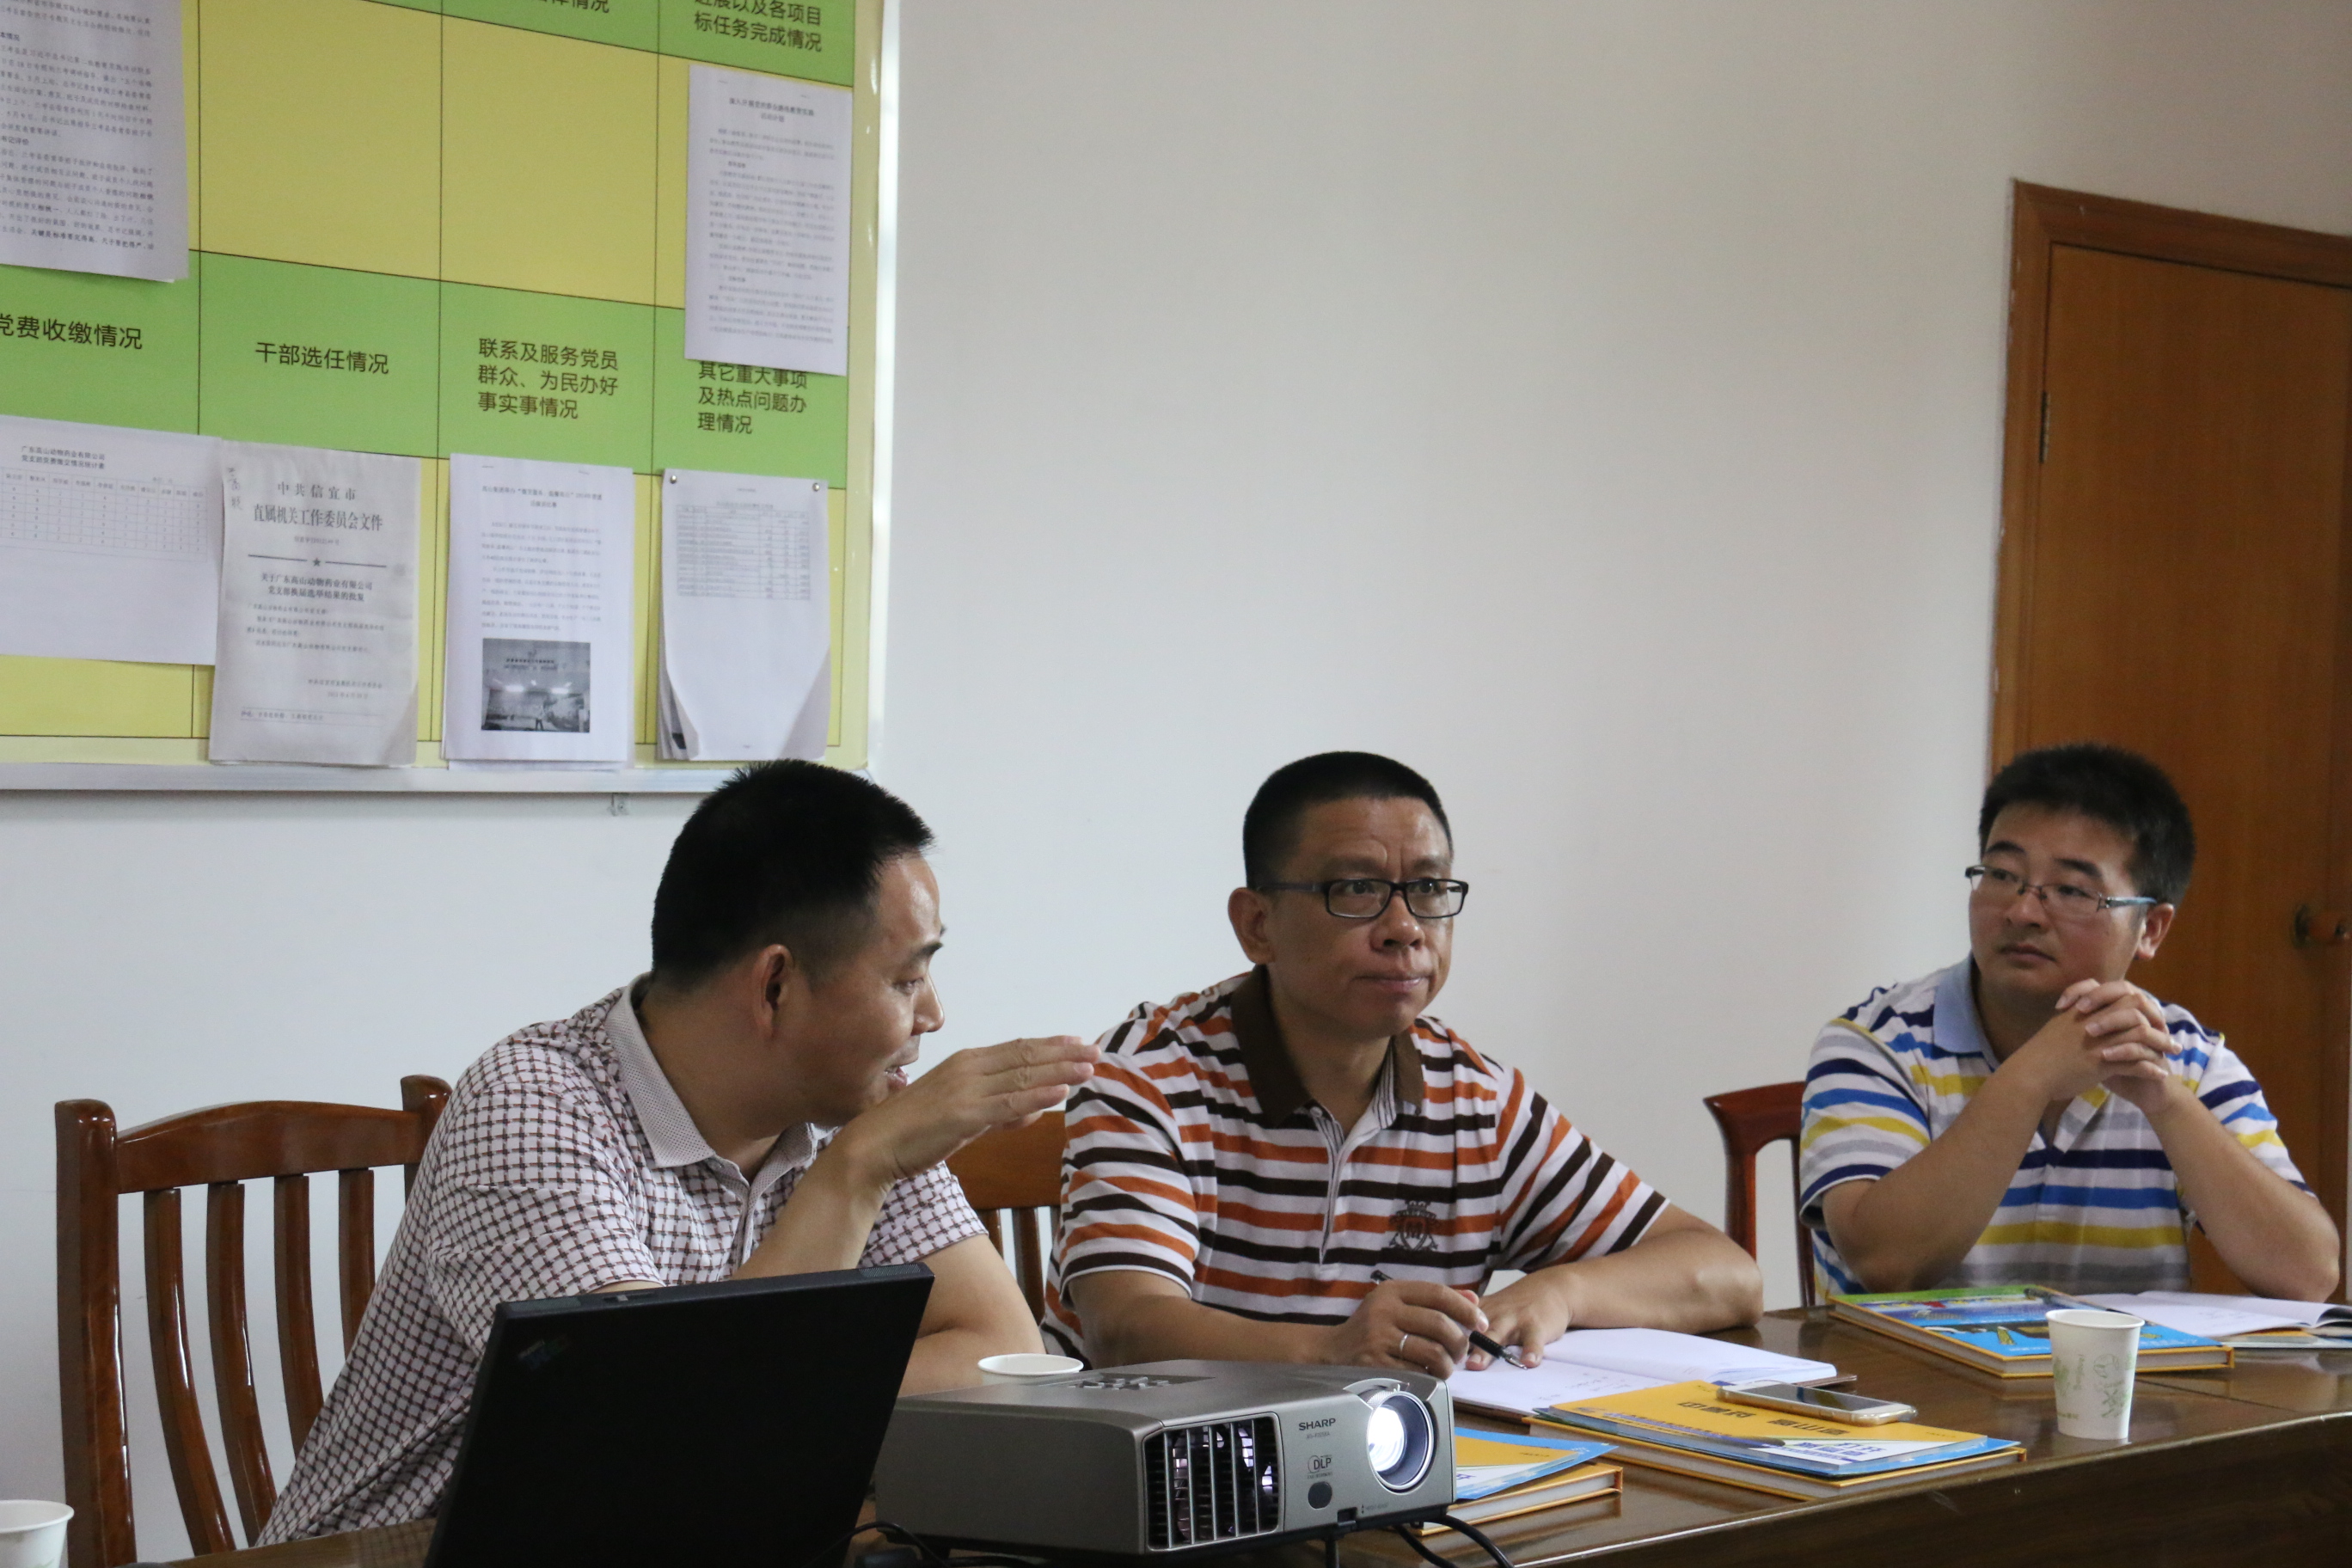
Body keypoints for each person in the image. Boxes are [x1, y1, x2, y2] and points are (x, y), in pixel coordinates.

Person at [263, 763, 1098, 1542]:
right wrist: (855, 1174)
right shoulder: (536, 1105)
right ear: (775, 986)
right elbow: (664, 1447)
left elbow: (998, 1353)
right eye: (907, 980)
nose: (935, 1015)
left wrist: (768, 1410)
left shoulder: (849, 1104)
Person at [1043, 751, 1761, 1375]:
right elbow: (1127, 1329)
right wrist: (1331, 1352)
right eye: (1356, 890)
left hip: (1389, 1471)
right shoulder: (1148, 1075)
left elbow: (1726, 1275)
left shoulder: (1476, 1098)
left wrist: (1561, 1292)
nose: (1406, 929)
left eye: (1428, 889)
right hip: (1161, 1469)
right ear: (1257, 925)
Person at [1800, 742, 2337, 1300]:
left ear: (2151, 928)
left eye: (2073, 891)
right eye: (2001, 874)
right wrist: (2033, 1076)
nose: (2022, 911)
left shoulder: (2186, 1057)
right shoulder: (1878, 1043)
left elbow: (2308, 1275)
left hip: (2130, 1362)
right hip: (1904, 1361)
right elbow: (1887, 1264)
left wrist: (2166, 1102)